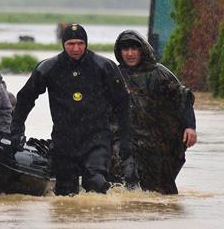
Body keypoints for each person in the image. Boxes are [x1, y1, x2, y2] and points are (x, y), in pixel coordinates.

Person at [10, 23, 134, 195]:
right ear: (63, 44)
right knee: (65, 195)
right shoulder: (48, 68)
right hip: (64, 140)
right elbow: (25, 98)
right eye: (71, 44)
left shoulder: (103, 66)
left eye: (80, 43)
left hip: (96, 138)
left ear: (86, 43)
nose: (76, 48)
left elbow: (122, 101)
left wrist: (126, 139)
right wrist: (17, 128)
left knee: (96, 182)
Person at [112, 30, 197, 194]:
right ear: (119, 52)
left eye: (134, 49)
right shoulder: (113, 75)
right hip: (123, 141)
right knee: (122, 186)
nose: (130, 54)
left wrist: (190, 127)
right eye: (125, 49)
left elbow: (182, 98)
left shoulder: (159, 73)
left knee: (160, 192)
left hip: (154, 143)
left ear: (142, 50)